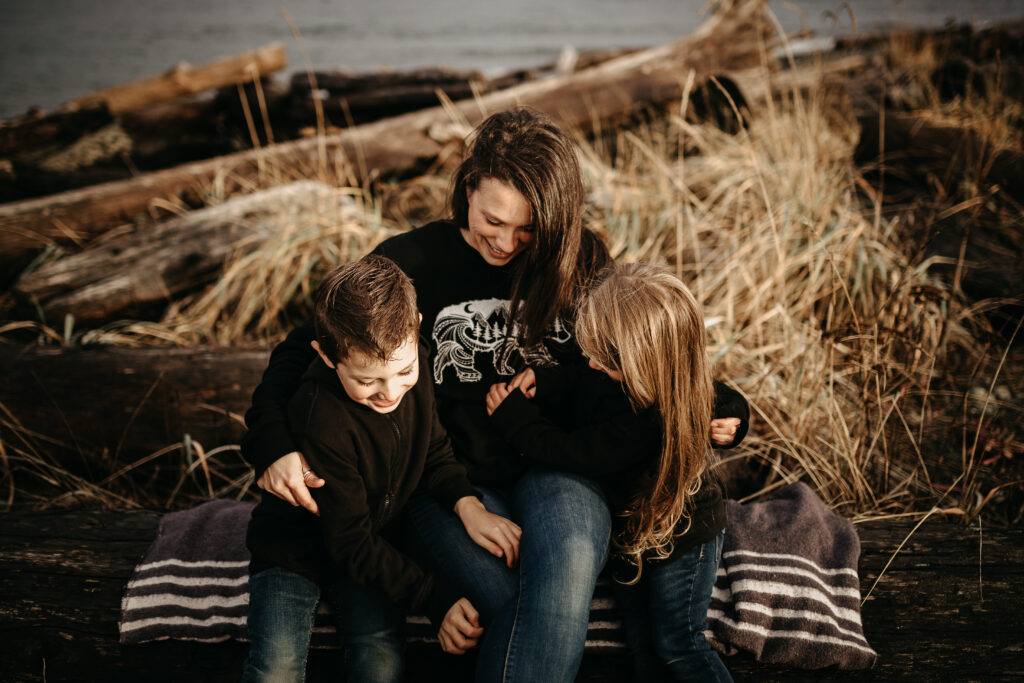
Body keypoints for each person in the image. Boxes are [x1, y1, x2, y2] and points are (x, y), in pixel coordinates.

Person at [243, 107, 746, 681]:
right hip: (444, 478)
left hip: (560, 464)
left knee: (565, 579)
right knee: (505, 596)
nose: (506, 243)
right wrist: (274, 446)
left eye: (528, 227)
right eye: (492, 219)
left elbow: (635, 350)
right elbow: (302, 351)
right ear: (467, 190)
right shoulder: (411, 261)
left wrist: (713, 401)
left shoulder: (579, 261)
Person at [241, 255, 521, 683]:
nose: (390, 392)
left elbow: (434, 450)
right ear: (326, 356)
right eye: (366, 381)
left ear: (418, 327)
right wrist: (433, 597)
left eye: (403, 372)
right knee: (274, 668)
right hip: (294, 553)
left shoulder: (418, 361)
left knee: (381, 662)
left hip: (369, 552)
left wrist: (468, 504)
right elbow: (349, 542)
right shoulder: (323, 418)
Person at [485, 263, 742, 682]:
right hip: (635, 535)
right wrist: (545, 382)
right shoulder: (627, 373)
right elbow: (583, 382)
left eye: (602, 357)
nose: (589, 361)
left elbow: (576, 453)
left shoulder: (644, 420)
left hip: (683, 536)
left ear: (642, 360)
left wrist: (516, 422)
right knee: (640, 648)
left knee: (679, 644)